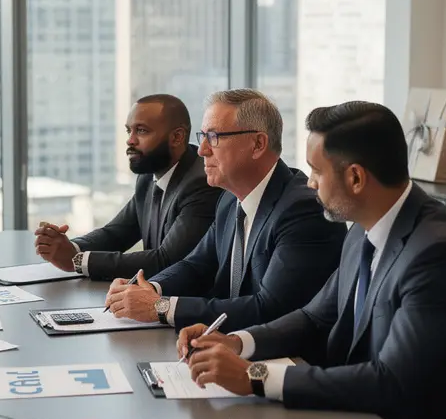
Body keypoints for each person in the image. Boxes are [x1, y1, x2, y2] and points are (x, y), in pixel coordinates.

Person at [176, 101, 446, 419]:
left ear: (355, 178)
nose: (310, 184)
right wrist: (238, 342)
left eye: (317, 171)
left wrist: (255, 376)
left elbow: (391, 382)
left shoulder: (438, 256)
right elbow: (314, 317)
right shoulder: (363, 230)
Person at [103, 89, 346, 333]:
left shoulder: (303, 210)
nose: (202, 150)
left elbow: (270, 309)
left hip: (286, 359)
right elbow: (195, 265)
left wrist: (162, 307)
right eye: (203, 136)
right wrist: (150, 288)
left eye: (214, 137)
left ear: (258, 144)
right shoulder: (229, 200)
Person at [34, 94, 222, 281]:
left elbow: (167, 260)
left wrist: (77, 260)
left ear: (177, 137)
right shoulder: (148, 177)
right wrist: (66, 248)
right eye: (128, 131)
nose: (130, 140)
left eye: (141, 131)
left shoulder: (201, 183)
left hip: (188, 305)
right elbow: (116, 234)